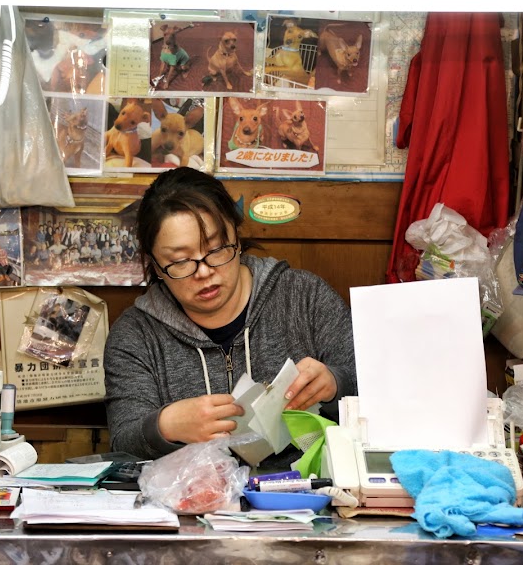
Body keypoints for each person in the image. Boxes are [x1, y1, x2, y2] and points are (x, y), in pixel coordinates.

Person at [103, 168, 356, 468]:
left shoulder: (304, 297)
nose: (205, 272)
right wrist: (165, 425)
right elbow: (123, 441)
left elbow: (374, 392)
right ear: (156, 266)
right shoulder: (135, 336)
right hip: (191, 504)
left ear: (236, 235)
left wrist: (336, 383)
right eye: (181, 261)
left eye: (216, 248)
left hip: (308, 496)